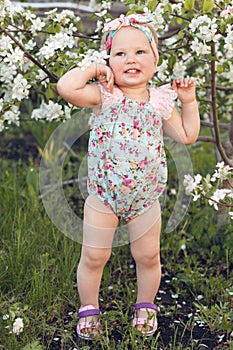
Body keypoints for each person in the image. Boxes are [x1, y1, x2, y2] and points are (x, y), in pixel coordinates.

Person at [57, 13, 200, 339]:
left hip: (145, 198)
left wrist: (189, 102)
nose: (130, 59)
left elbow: (188, 135)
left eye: (139, 52)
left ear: (154, 60)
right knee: (95, 255)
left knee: (148, 256)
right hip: (103, 197)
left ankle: (145, 304)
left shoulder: (162, 101)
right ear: (109, 60)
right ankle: (89, 307)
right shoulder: (103, 95)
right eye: (119, 53)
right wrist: (94, 69)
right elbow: (65, 87)